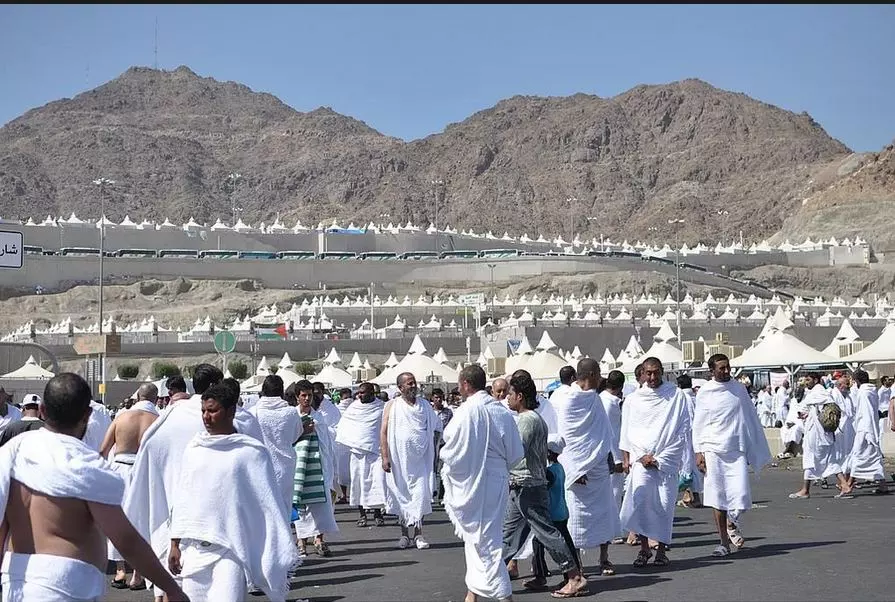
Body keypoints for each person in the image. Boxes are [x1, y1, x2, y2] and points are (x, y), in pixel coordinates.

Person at [0, 373, 187, 602]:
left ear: (42, 410)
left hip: (16, 583)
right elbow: (126, 540)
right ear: (88, 415)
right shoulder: (85, 466)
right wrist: (172, 588)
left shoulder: (13, 453)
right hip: (66, 587)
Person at [123, 363, 262, 602]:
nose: (207, 418)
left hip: (183, 520)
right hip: (204, 524)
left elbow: (149, 454)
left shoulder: (169, 417)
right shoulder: (235, 418)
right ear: (213, 385)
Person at [168, 382, 296, 602]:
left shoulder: (251, 453)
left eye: (213, 411)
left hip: (232, 549)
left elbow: (267, 505)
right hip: (195, 548)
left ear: (230, 411)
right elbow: (183, 498)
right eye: (203, 411)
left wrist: (270, 548)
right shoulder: (194, 449)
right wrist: (174, 544)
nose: (206, 417)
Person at [440, 365, 524, 602]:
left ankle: (504, 595)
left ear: (466, 384)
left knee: (487, 541)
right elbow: (516, 453)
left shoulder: (466, 412)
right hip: (498, 480)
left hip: (473, 481)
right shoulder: (501, 412)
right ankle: (472, 595)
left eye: (459, 384)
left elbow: (451, 444)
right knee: (477, 538)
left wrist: (460, 462)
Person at [501, 370, 586, 597]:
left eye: (510, 393)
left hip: (528, 485)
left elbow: (515, 452)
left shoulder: (528, 420)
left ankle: (574, 576)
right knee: (509, 534)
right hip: (521, 485)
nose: (508, 398)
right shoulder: (531, 419)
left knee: (546, 532)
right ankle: (492, 574)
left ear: (520, 396)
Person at [693, 354, 772, 557]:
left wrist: (755, 447)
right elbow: (698, 423)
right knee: (718, 498)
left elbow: (750, 418)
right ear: (712, 371)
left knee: (741, 495)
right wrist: (698, 451)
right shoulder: (705, 392)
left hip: (736, 448)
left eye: (728, 367)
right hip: (712, 449)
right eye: (722, 368)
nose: (727, 371)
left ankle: (732, 522)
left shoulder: (739, 389)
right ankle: (723, 543)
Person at [619, 357, 691, 568]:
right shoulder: (633, 400)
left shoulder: (676, 396)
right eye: (648, 373)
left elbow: (682, 431)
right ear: (642, 373)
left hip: (666, 463)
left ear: (662, 372)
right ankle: (644, 549)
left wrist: (661, 458)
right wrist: (640, 456)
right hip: (641, 461)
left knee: (664, 506)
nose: (652, 377)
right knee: (641, 504)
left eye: (656, 372)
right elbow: (628, 432)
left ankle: (660, 551)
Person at [552, 357, 621, 576]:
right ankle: (577, 564)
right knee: (576, 517)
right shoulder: (569, 400)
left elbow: (603, 432)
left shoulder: (595, 399)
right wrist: (575, 470)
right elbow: (567, 437)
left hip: (598, 466)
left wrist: (610, 459)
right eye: (599, 373)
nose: (601, 377)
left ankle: (604, 558)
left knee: (605, 512)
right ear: (591, 374)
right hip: (578, 470)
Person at [100, 382, 161, 591]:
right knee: (141, 520)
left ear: (137, 397)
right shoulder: (157, 420)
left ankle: (120, 570)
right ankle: (138, 573)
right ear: (155, 399)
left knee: (118, 520)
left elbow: (103, 450)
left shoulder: (121, 417)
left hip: (119, 469)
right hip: (143, 471)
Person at [381, 372, 443, 549]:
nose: (413, 386)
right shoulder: (392, 405)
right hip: (399, 460)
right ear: (400, 387)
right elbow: (383, 432)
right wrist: (385, 457)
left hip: (421, 460)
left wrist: (433, 450)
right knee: (401, 495)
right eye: (409, 383)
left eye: (414, 382)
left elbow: (436, 427)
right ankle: (404, 535)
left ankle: (418, 534)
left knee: (420, 495)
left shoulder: (424, 405)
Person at [293, 380, 339, 557]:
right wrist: (302, 431)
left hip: (319, 467)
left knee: (321, 506)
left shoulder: (319, 418)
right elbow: (288, 440)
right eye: (303, 395)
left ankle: (319, 540)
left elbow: (326, 444)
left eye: (309, 395)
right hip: (300, 467)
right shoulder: (292, 416)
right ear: (297, 397)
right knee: (301, 505)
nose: (307, 399)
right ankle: (301, 541)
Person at [530, 435, 581, 591]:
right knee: (566, 543)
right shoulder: (559, 468)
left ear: (548, 452)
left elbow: (541, 488)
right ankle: (574, 573)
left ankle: (541, 575)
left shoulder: (549, 472)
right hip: (561, 512)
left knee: (540, 542)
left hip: (552, 514)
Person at [335, 381, 387, 527]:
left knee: (377, 483)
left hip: (376, 453)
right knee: (358, 483)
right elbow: (344, 426)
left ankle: (377, 513)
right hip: (357, 453)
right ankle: (362, 515)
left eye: (363, 393)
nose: (359, 395)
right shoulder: (353, 408)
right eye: (359, 393)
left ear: (371, 393)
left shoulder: (382, 408)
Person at [248, 375, 302, 516]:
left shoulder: (253, 412)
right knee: (283, 510)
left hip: (261, 467)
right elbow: (296, 434)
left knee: (263, 512)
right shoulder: (291, 412)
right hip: (285, 467)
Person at [840, 369, 889, 495]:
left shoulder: (864, 393)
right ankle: (883, 485)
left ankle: (848, 485)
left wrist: (867, 432)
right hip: (869, 429)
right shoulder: (872, 391)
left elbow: (867, 413)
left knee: (858, 456)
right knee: (874, 457)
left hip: (865, 430)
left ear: (857, 380)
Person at [788, 373, 835, 499]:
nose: (806, 382)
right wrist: (806, 415)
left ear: (816, 380)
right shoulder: (814, 393)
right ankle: (805, 489)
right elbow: (814, 409)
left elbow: (825, 407)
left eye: (808, 380)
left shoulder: (819, 392)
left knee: (826, 460)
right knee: (812, 459)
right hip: (813, 431)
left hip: (818, 432)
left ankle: (845, 484)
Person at [598, 370, 628, 540]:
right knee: (615, 494)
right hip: (613, 453)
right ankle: (613, 531)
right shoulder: (611, 404)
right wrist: (617, 458)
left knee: (610, 494)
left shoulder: (601, 398)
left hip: (606, 453)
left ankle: (610, 529)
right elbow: (611, 433)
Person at [676, 373, 703, 509]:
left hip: (686, 435)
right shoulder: (695, 397)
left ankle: (689, 496)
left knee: (686, 465)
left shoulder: (683, 398)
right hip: (696, 435)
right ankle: (692, 496)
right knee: (692, 466)